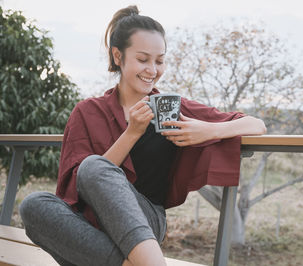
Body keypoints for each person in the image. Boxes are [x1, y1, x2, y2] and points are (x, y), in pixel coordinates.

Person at [19, 5, 266, 266]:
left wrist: (207, 130)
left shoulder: (171, 108)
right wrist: (132, 132)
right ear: (117, 56)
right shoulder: (88, 112)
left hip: (146, 219)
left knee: (93, 166)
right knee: (33, 205)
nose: (152, 69)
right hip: (90, 224)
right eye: (143, 59)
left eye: (159, 60)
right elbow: (76, 187)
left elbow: (255, 124)